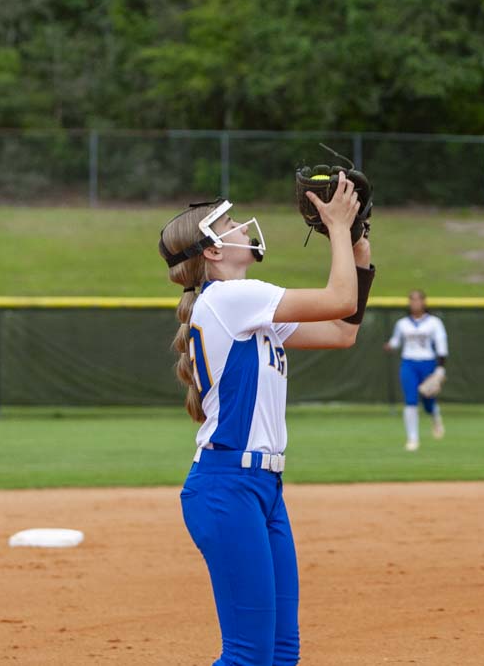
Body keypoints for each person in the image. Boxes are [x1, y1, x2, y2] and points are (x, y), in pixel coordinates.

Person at [158, 174, 375, 666]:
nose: (241, 227)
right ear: (213, 251)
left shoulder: (246, 309)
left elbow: (341, 332)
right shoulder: (231, 298)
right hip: (228, 488)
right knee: (248, 656)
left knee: (279, 652)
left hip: (261, 488)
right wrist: (337, 229)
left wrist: (358, 247)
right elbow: (339, 300)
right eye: (229, 224)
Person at [383, 289, 448, 451]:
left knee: (428, 402)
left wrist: (441, 368)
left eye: (418, 299)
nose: (415, 303)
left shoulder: (434, 322)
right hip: (409, 363)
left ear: (424, 302)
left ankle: (435, 416)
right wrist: (390, 345)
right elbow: (396, 341)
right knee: (410, 400)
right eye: (412, 300)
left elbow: (441, 345)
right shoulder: (402, 323)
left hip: (428, 363)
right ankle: (412, 439)